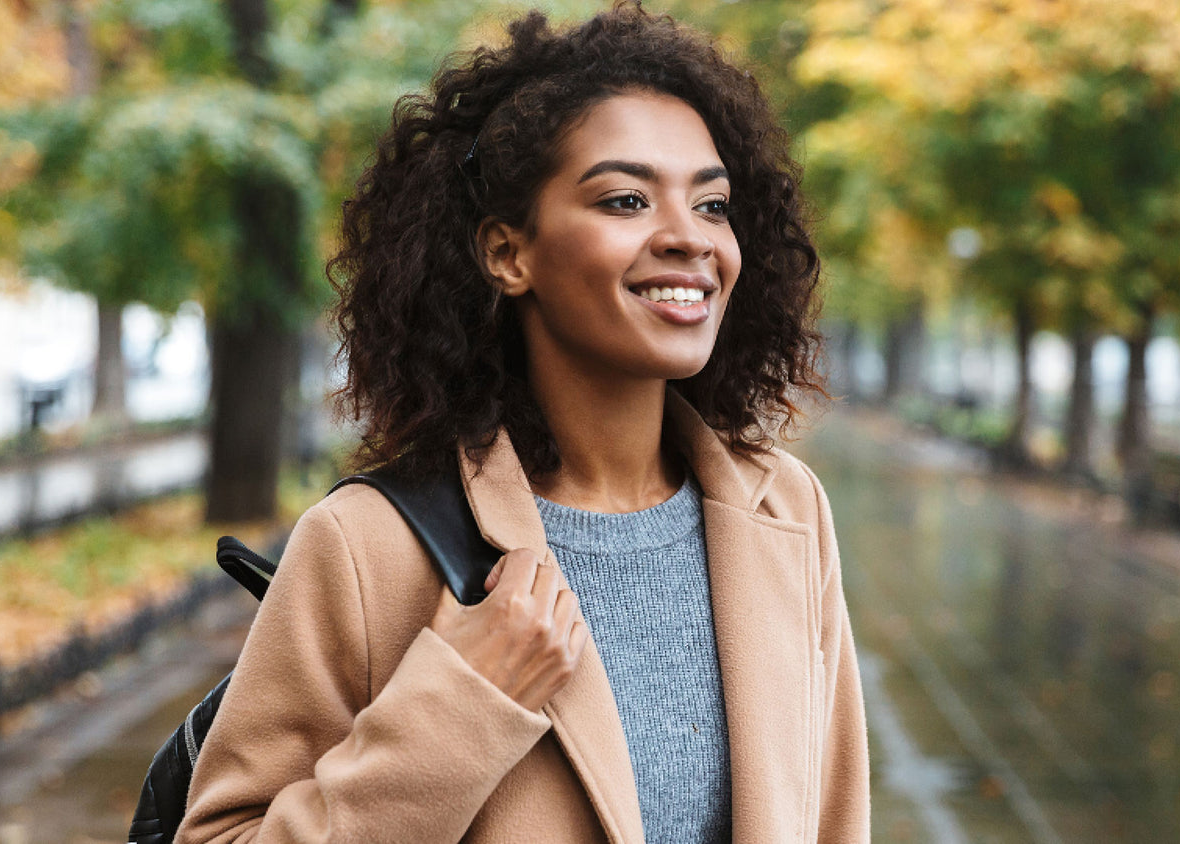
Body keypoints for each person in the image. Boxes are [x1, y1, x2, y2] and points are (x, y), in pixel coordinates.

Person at [177, 3, 869, 841]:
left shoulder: (784, 512)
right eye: (625, 200)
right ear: (509, 253)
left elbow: (834, 818)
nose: (690, 238)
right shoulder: (368, 545)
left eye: (713, 205)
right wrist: (463, 702)